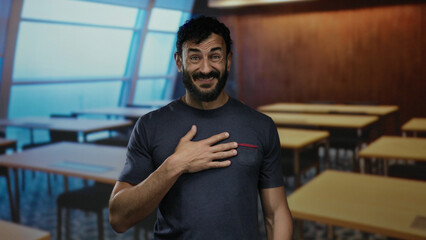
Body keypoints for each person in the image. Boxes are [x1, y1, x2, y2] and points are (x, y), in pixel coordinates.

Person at [109, 16, 293, 240]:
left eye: (214, 56)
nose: (206, 69)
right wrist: (175, 165)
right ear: (179, 62)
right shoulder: (150, 126)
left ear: (228, 60)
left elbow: (276, 214)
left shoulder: (260, 126)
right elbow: (119, 218)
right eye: (195, 57)